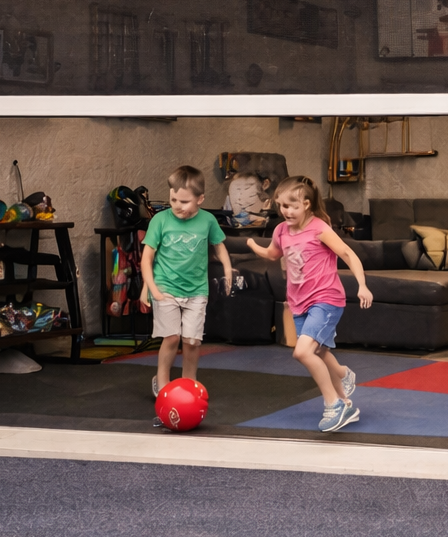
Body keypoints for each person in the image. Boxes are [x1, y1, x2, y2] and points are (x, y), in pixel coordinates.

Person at [247, 175, 373, 432]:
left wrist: (362, 285)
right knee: (319, 351)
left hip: (326, 299)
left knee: (303, 351)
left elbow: (348, 254)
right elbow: (273, 254)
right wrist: (251, 244)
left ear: (306, 204)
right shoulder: (281, 230)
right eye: (282, 206)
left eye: (292, 206)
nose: (287, 211)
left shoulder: (319, 228)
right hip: (299, 301)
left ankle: (333, 404)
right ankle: (344, 389)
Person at [139, 165, 232, 399]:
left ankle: (190, 384)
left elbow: (219, 246)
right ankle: (162, 383)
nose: (178, 206)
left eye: (185, 202)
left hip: (197, 290)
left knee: (192, 341)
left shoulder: (208, 221)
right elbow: (147, 258)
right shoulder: (160, 221)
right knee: (171, 337)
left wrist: (228, 270)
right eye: (173, 200)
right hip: (164, 287)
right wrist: (148, 288)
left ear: (200, 199)